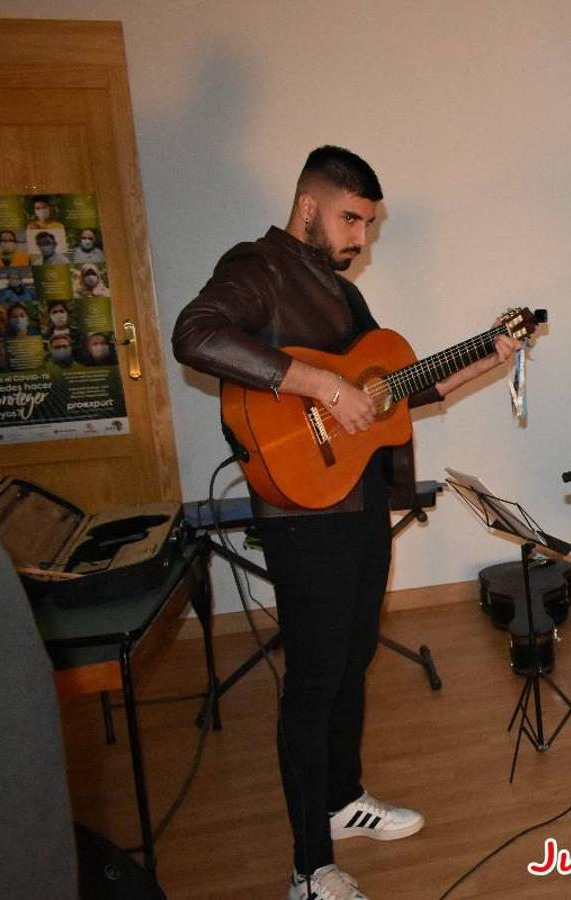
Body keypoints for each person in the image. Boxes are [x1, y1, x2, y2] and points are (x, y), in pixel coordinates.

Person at [173, 145, 520, 900]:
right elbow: (194, 334)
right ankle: (308, 869)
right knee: (314, 679)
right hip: (303, 513)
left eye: (369, 223)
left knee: (354, 655)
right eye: (351, 218)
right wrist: (324, 387)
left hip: (359, 503)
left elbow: (401, 393)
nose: (361, 237)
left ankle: (341, 800)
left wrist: (486, 357)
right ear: (309, 207)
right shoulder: (258, 265)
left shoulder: (339, 294)